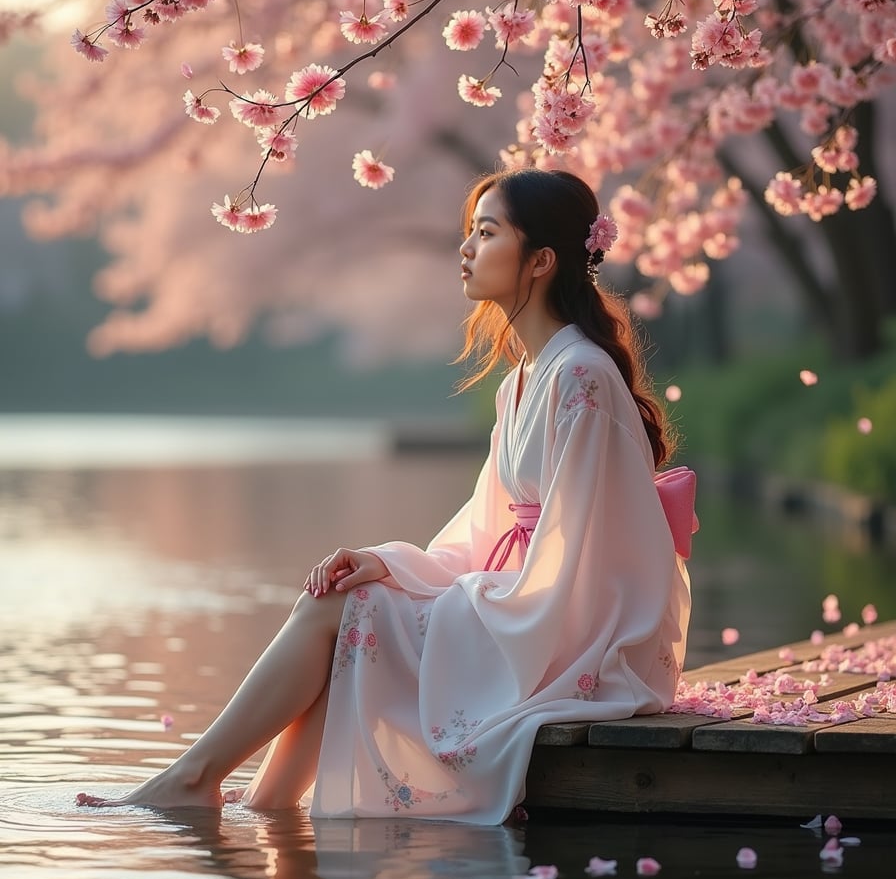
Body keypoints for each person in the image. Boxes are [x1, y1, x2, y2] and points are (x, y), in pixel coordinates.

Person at [77, 168, 694, 824]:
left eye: (486, 234)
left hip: (580, 633)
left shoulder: (580, 378)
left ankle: (196, 778)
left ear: (540, 260)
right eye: (469, 233)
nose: (465, 249)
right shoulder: (523, 381)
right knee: (357, 605)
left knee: (348, 610)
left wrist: (429, 594)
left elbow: (580, 568)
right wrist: (391, 565)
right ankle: (263, 807)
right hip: (529, 605)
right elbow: (481, 536)